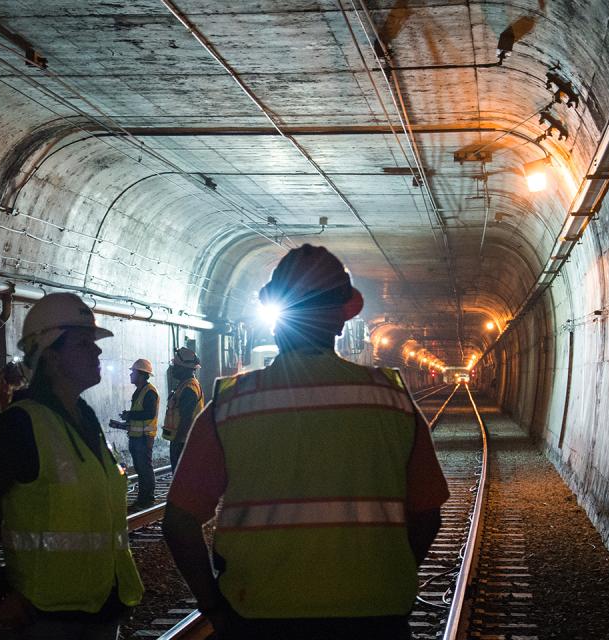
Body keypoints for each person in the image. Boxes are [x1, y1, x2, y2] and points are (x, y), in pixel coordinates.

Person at [162, 245, 450, 640]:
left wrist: (213, 606)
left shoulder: (230, 404)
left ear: (277, 320)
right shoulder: (392, 398)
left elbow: (179, 522)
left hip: (259, 614)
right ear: (341, 322)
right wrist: (390, 575)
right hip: (374, 615)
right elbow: (427, 515)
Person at [0, 292, 143, 639]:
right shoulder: (20, 424)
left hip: (102, 606)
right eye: (84, 344)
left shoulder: (84, 417)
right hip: (47, 617)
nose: (97, 351)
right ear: (51, 356)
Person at [120, 359, 159, 510]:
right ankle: (143, 499)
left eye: (133, 372)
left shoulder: (149, 392)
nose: (131, 374)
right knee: (140, 468)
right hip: (137, 437)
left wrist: (130, 415)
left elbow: (149, 413)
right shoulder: (140, 390)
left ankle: (147, 500)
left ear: (141, 375)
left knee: (144, 468)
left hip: (144, 437)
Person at [162, 347, 204, 472]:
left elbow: (186, 418)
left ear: (184, 368)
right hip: (183, 441)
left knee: (182, 478)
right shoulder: (185, 385)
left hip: (184, 443)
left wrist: (176, 442)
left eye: (176, 365)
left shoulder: (189, 388)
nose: (173, 369)